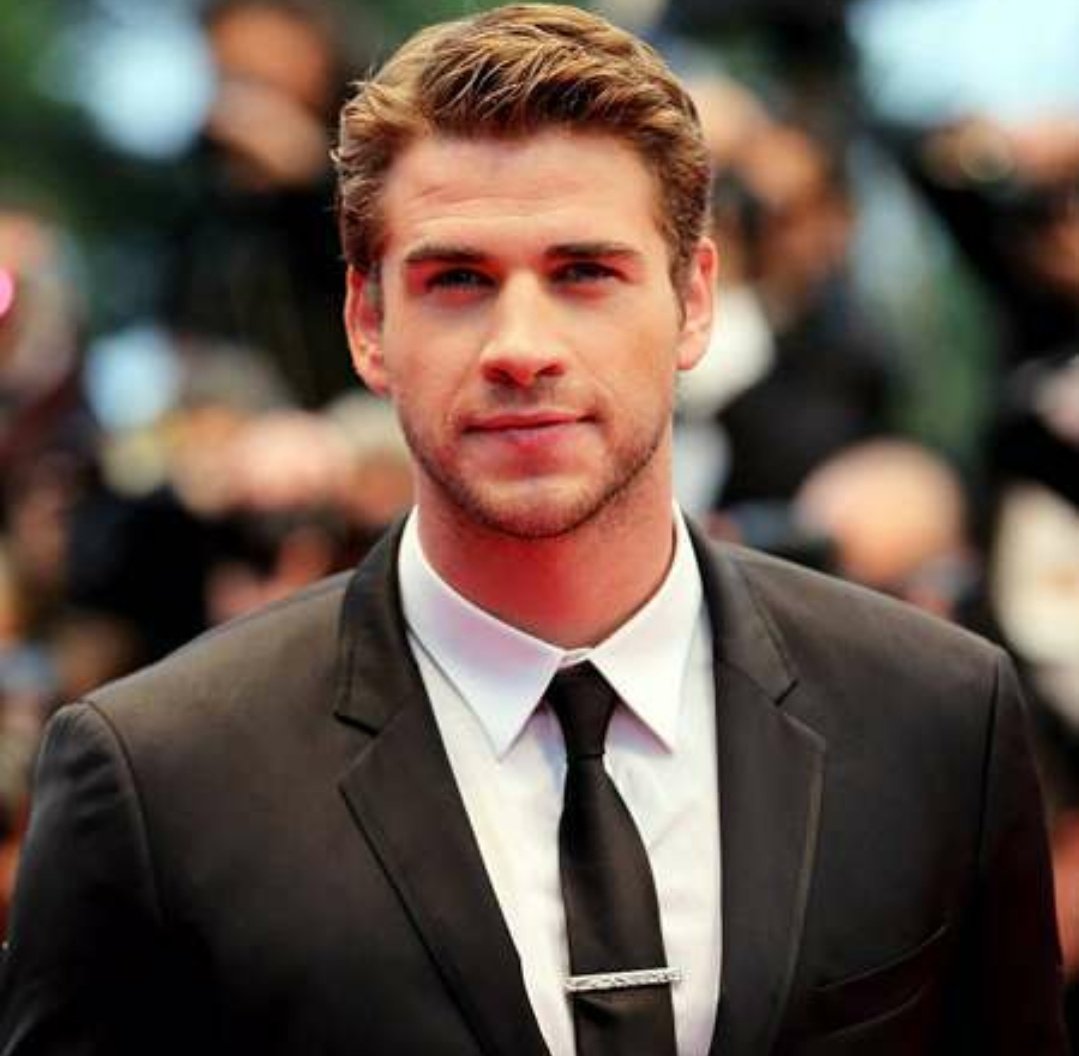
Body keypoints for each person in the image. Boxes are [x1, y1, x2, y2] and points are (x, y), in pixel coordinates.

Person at [0, 5, 1066, 1054]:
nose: (521, 345)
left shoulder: (935, 717)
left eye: (584, 272)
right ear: (367, 323)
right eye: (457, 279)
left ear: (693, 300)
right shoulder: (159, 778)